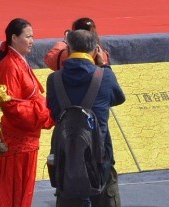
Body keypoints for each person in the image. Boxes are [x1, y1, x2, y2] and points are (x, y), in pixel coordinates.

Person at [46, 29, 125, 207]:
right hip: (99, 157)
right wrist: (103, 65)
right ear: (96, 50)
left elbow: (53, 112)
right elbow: (119, 98)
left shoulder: (54, 79)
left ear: (68, 50)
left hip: (65, 158)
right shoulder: (105, 76)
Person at [0, 19, 53, 207]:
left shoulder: (19, 61)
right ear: (14, 38)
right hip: (19, 137)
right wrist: (45, 114)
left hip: (27, 135)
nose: (32, 40)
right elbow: (12, 107)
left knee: (21, 186)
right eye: (28, 36)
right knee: (12, 186)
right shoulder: (9, 65)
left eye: (33, 36)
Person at [44, 18, 111, 71]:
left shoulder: (64, 54)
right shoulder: (102, 56)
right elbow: (107, 76)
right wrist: (102, 64)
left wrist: (64, 42)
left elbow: (49, 60)